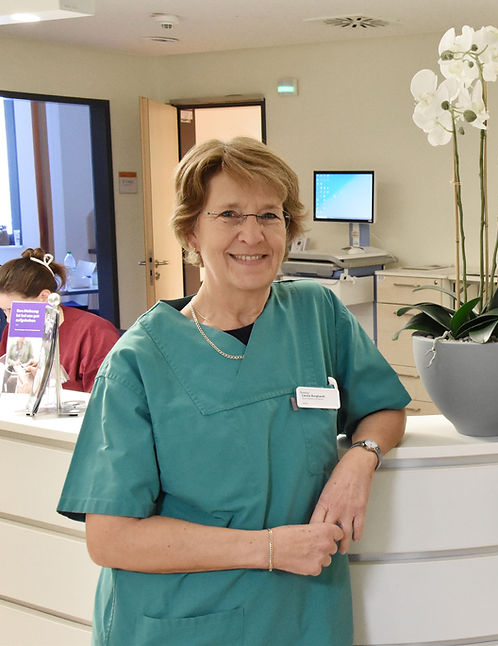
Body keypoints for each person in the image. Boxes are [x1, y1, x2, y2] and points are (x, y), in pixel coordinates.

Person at [57, 137, 410, 645]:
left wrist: (361, 459)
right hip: (182, 619)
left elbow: (384, 408)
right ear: (191, 231)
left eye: (270, 215)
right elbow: (110, 539)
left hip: (301, 611)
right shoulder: (138, 362)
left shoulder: (316, 314)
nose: (254, 234)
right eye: (229, 214)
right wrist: (269, 549)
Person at [0, 248, 120, 392]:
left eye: (13, 310)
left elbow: (106, 398)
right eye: (3, 311)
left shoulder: (94, 332)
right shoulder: (13, 331)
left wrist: (51, 384)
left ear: (44, 296)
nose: (9, 320)